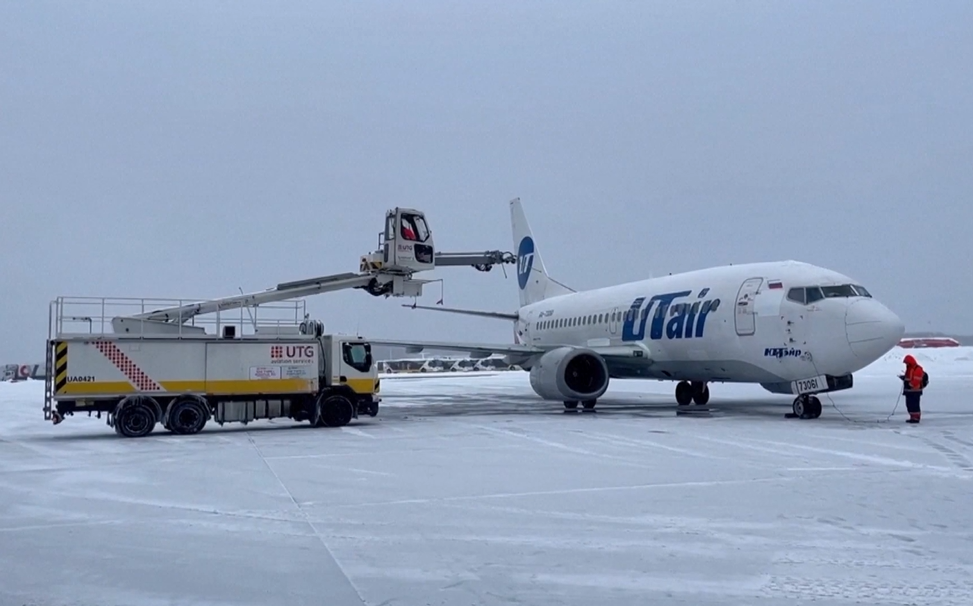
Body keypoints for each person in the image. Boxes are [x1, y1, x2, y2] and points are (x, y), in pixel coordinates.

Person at [899, 354, 925, 424]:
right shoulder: (909, 368)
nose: (906, 364)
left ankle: (916, 418)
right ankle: (912, 417)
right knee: (909, 405)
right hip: (909, 391)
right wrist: (904, 378)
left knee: (914, 405)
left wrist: (910, 385)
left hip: (915, 391)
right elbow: (909, 377)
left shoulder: (917, 369)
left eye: (907, 362)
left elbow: (917, 379)